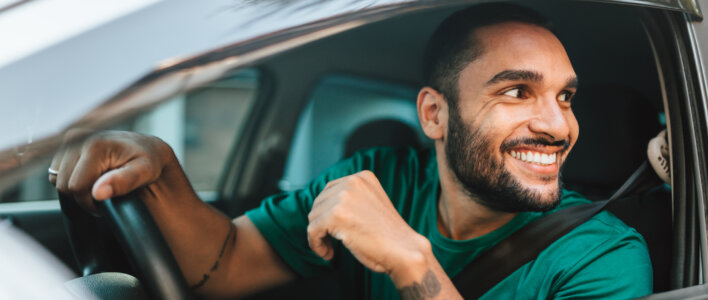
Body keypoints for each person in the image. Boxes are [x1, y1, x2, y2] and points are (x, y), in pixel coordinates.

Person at [49, 3, 653, 299]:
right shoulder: (378, 178)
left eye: (566, 97)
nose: (556, 123)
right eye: (518, 91)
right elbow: (226, 262)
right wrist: (160, 172)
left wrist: (410, 261)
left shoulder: (604, 258)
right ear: (434, 115)